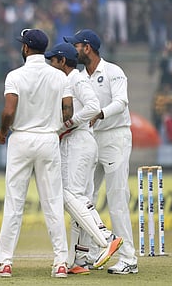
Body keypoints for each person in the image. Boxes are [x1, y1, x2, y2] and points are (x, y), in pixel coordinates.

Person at [0, 29, 69, 278]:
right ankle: (60, 263)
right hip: (48, 139)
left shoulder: (15, 75)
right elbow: (68, 109)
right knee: (52, 203)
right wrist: (56, 124)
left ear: (26, 48)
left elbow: (8, 110)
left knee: (14, 203)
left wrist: (3, 131)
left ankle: (5, 263)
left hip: (21, 139)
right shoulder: (58, 76)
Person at [44, 42, 123, 275]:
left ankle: (106, 237)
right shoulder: (67, 80)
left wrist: (67, 124)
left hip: (78, 142)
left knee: (69, 196)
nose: (50, 64)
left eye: (53, 60)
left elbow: (93, 107)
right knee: (81, 199)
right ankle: (78, 258)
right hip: (80, 142)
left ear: (62, 61)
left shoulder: (75, 79)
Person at [64, 29, 138, 274]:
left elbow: (122, 102)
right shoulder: (80, 75)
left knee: (117, 197)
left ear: (87, 47)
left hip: (116, 136)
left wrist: (100, 113)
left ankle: (128, 258)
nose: (72, 50)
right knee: (86, 197)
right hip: (91, 139)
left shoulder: (113, 71)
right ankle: (92, 253)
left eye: (75, 45)